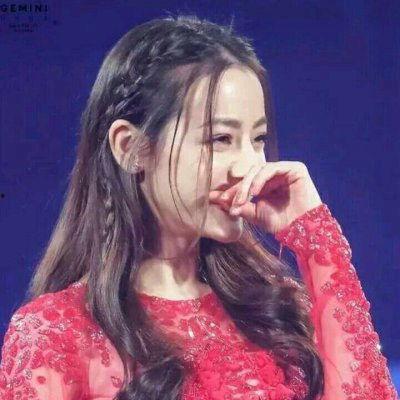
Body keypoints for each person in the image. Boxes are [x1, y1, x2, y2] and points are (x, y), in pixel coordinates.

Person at [0, 14, 397, 400]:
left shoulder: (275, 311)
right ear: (131, 148)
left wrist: (317, 242)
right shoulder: (54, 334)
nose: (250, 166)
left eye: (258, 139)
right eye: (220, 139)